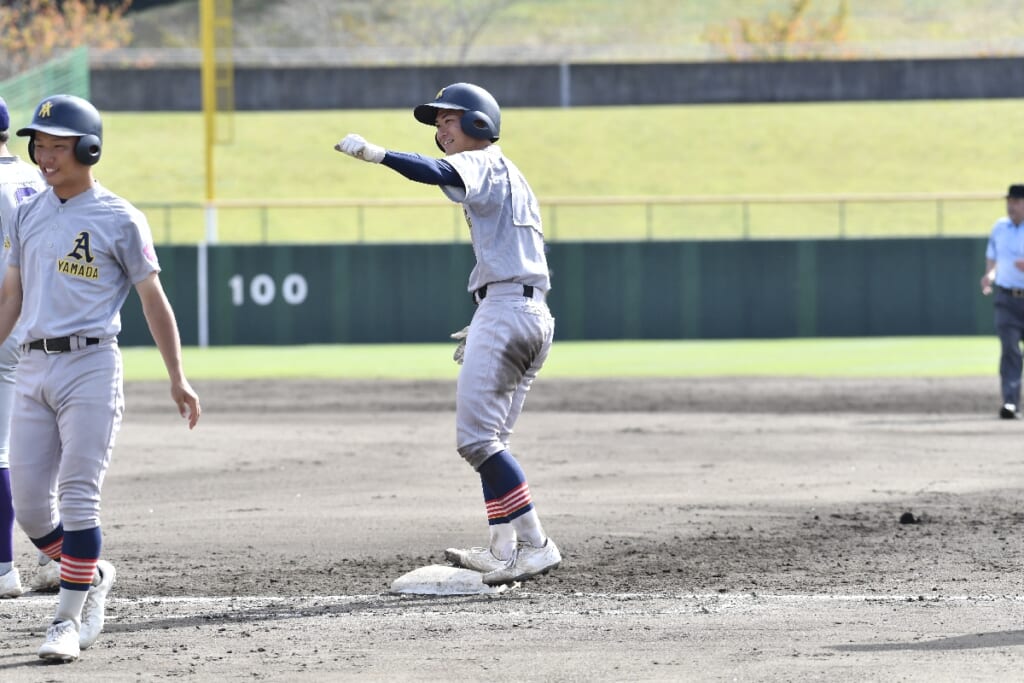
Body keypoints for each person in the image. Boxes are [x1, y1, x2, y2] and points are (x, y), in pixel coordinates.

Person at [0, 94, 201, 662]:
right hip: (33, 366)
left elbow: (153, 301)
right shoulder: (29, 211)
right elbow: (11, 296)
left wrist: (177, 377)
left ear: (88, 148)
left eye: (57, 145)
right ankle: (89, 573)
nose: (44, 155)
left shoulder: (119, 217)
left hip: (90, 365)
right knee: (34, 509)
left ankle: (65, 620)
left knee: (80, 498)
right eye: (38, 143)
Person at [334, 82, 561, 586]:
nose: (440, 131)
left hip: (508, 309)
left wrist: (379, 155)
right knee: (492, 441)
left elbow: (435, 170)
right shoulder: (510, 173)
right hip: (526, 311)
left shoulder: (482, 161)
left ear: (479, 123)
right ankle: (502, 549)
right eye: (437, 124)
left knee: (478, 442)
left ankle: (536, 545)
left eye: (448, 120)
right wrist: (491, 314)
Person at [0, 95, 60, 598]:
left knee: (0, 450)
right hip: (42, 321)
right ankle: (53, 559)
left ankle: (1, 568)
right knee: (40, 445)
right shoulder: (39, 176)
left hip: (4, 318)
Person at [980, 183, 1024, 419]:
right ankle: (1010, 402)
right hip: (1007, 299)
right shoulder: (1000, 228)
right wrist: (990, 276)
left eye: (1017, 201)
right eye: (1010, 201)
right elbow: (993, 259)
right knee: (1010, 351)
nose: (1011, 206)